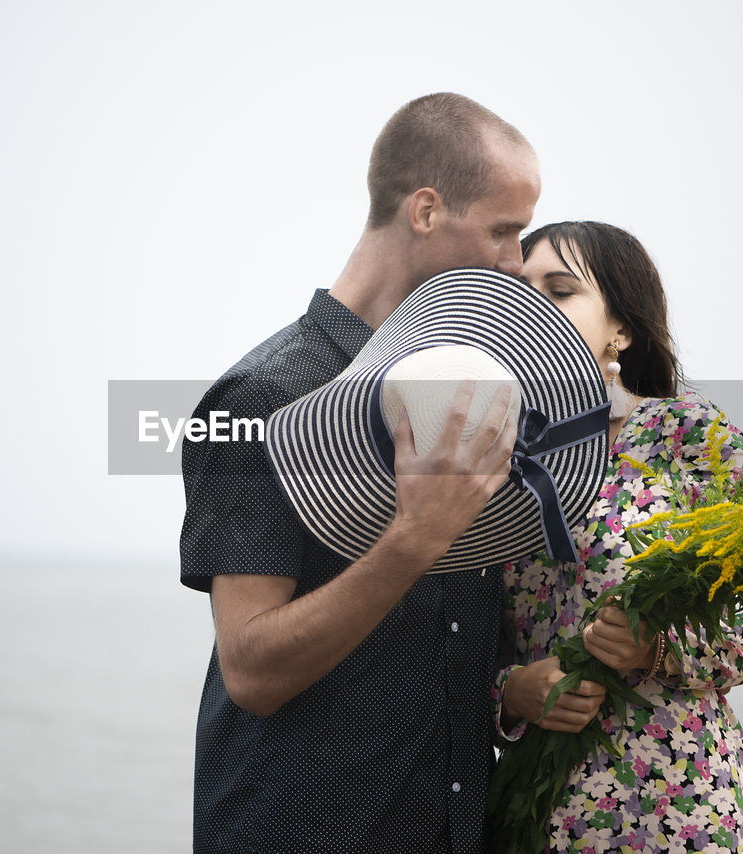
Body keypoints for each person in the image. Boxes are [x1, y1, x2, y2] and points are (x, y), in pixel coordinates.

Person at [181, 93, 540, 853]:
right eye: (504, 231)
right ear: (424, 210)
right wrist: (413, 541)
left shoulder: (471, 393)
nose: (517, 262)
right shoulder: (262, 397)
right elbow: (251, 670)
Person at [493, 220, 743, 853]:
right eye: (516, 288)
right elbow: (444, 638)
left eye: (559, 290)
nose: (530, 305)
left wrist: (662, 648)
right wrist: (510, 693)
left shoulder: (687, 434)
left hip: (679, 802)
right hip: (538, 815)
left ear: (622, 328)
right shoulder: (486, 453)